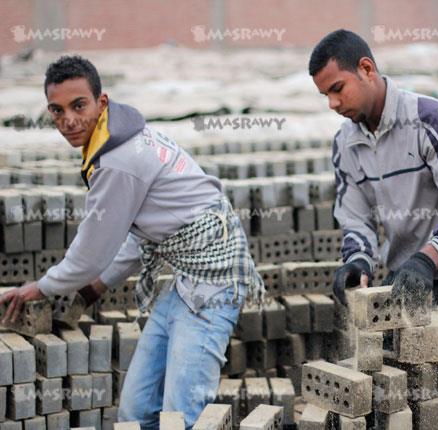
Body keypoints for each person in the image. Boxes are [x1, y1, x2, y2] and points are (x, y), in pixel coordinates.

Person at [0, 55, 264, 429]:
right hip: (183, 281)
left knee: (181, 418)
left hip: (214, 282)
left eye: (79, 105)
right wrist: (98, 285)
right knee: (137, 413)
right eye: (57, 111)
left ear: (101, 102)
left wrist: (37, 289)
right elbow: (139, 235)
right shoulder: (119, 134)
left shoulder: (118, 159)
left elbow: (92, 251)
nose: (68, 120)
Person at [309, 30, 438, 339]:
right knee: (415, 382)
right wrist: (357, 261)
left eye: (337, 89)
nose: (332, 103)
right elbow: (356, 219)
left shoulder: (432, 119)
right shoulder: (345, 144)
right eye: (325, 96)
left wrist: (427, 258)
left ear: (367, 69)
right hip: (406, 277)